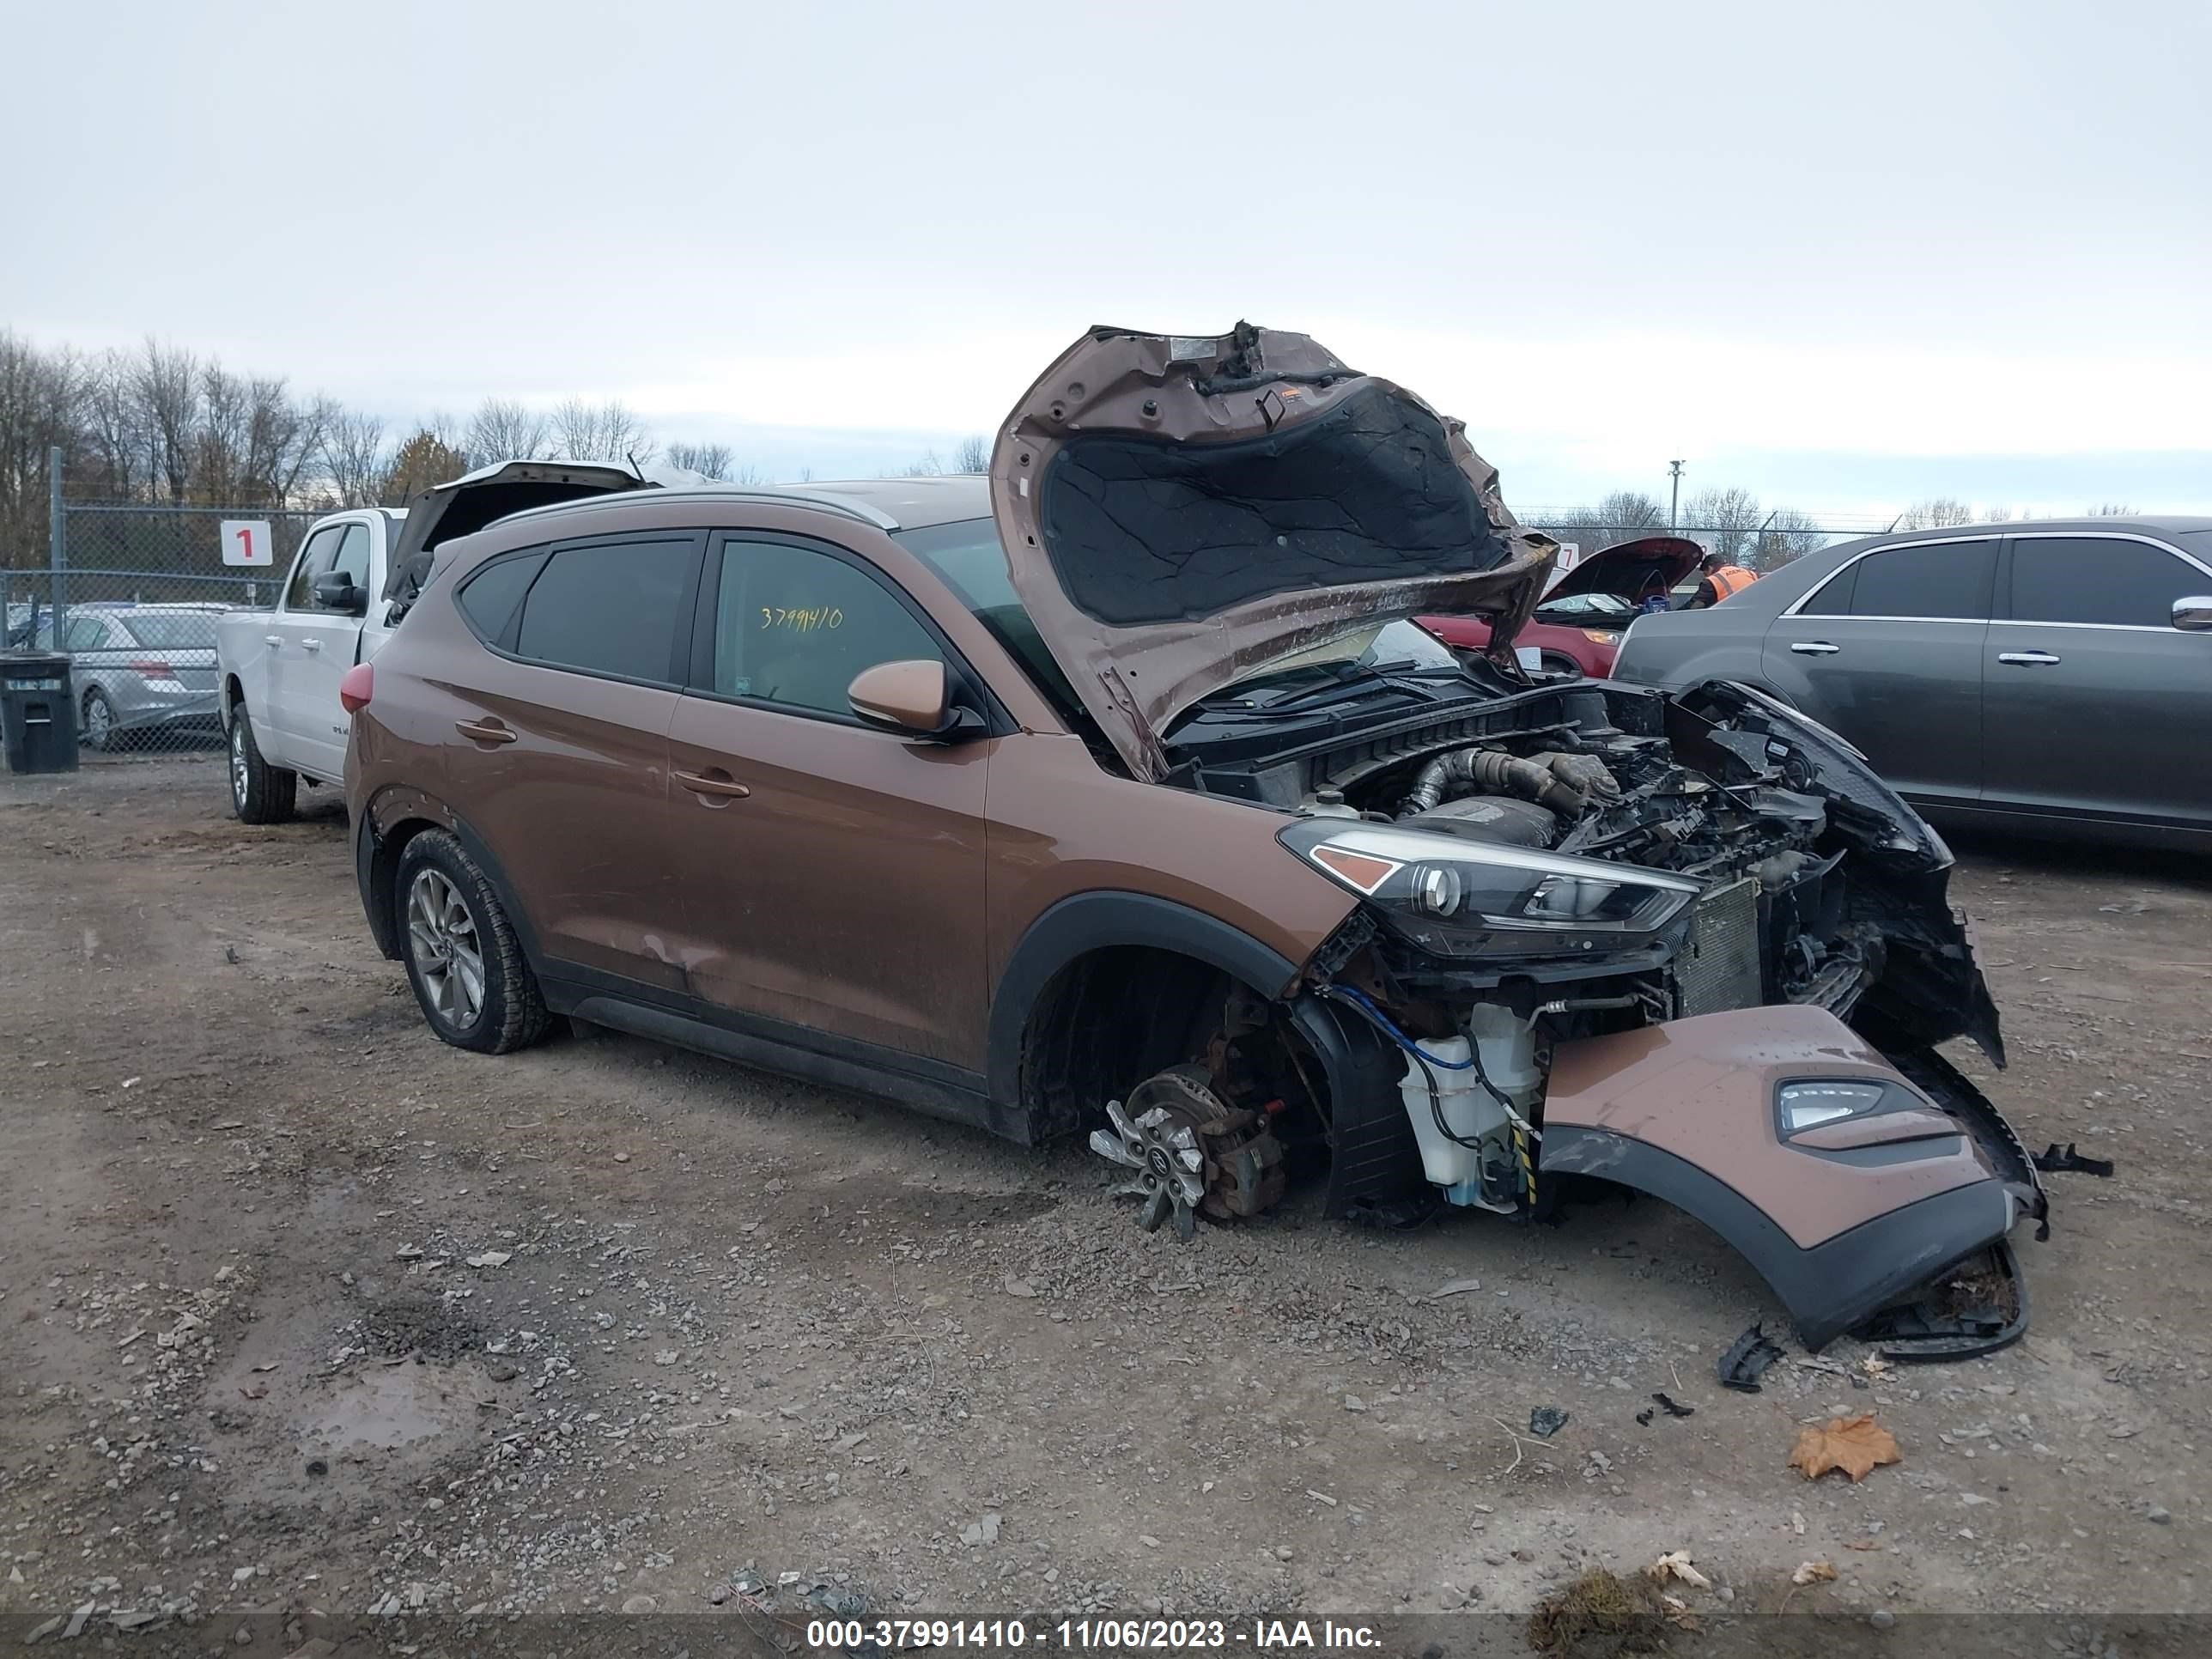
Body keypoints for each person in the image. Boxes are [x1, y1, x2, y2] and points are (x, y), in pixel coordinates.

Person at [1688, 550, 1756, 609]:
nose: (1706, 577)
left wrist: (1678, 613)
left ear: (1710, 568)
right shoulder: (1749, 573)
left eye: (1705, 574)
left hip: (1731, 618)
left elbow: (1694, 606)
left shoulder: (1713, 581)